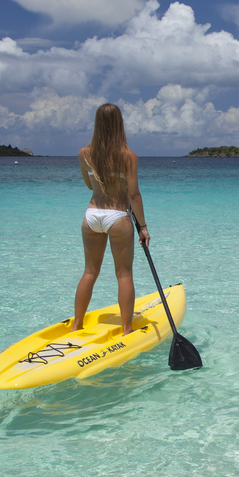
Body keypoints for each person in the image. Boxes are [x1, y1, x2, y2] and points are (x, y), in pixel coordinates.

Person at [70, 103, 150, 337]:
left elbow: (89, 185)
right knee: (124, 274)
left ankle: (77, 325)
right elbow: (134, 195)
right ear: (119, 125)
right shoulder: (128, 156)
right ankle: (126, 330)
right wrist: (143, 227)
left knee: (89, 272)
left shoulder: (84, 153)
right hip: (117, 216)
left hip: (92, 215)